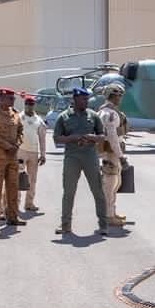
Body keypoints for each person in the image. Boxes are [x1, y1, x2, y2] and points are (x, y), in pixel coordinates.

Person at [52, 87, 108, 236]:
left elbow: (102, 135)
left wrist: (92, 137)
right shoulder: (64, 117)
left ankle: (103, 224)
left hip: (90, 155)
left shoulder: (93, 116)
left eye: (87, 99)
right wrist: (72, 138)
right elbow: (56, 138)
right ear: (75, 99)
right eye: (83, 99)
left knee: (98, 191)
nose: (86, 101)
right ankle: (65, 225)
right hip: (72, 156)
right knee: (69, 192)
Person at [0, 88, 26, 229]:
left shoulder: (15, 114)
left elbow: (21, 131)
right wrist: (7, 146)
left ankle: (13, 217)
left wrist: (17, 144)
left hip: (13, 156)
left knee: (13, 187)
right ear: (1, 98)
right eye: (10, 98)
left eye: (13, 99)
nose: (12, 101)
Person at [97, 81, 128, 227]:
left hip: (113, 151)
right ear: (112, 96)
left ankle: (111, 212)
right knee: (110, 185)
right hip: (112, 152)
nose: (120, 98)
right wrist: (121, 156)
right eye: (118, 95)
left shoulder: (108, 111)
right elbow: (112, 137)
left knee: (116, 183)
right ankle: (108, 216)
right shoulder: (109, 114)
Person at [18, 95, 47, 212]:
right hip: (21, 151)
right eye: (28, 104)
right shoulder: (19, 117)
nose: (30, 106)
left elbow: (42, 138)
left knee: (32, 179)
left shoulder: (38, 119)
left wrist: (43, 154)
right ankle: (14, 204)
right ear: (24, 104)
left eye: (31, 104)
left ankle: (29, 203)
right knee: (18, 178)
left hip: (34, 152)